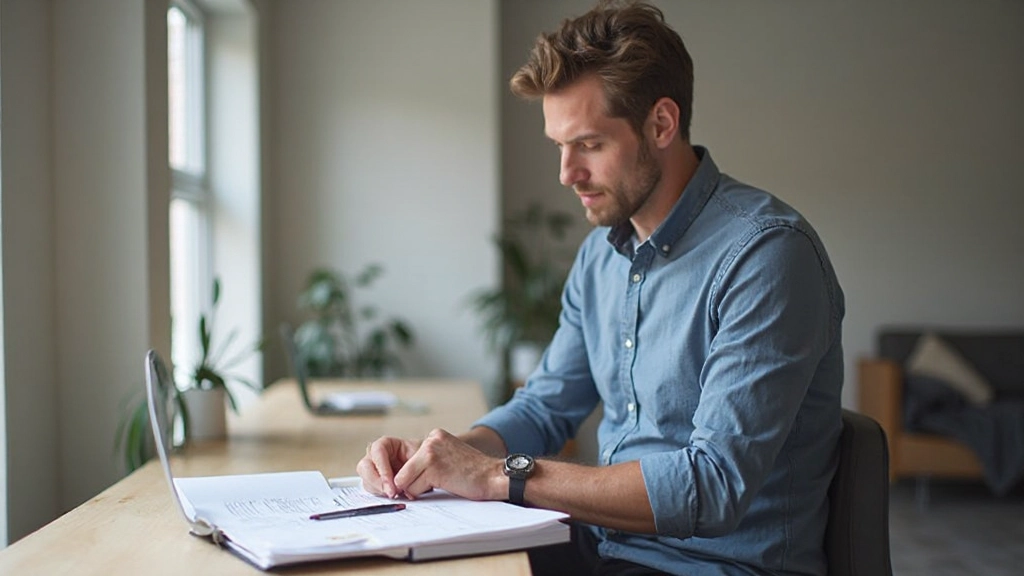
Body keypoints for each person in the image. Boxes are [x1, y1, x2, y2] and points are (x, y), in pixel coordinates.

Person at [357, 2, 845, 574]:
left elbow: (712, 485)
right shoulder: (601, 257)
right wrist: (438, 459)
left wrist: (494, 475)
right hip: (604, 546)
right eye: (559, 146)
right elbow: (544, 409)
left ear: (661, 124)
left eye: (589, 144)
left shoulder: (766, 256)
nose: (567, 174)